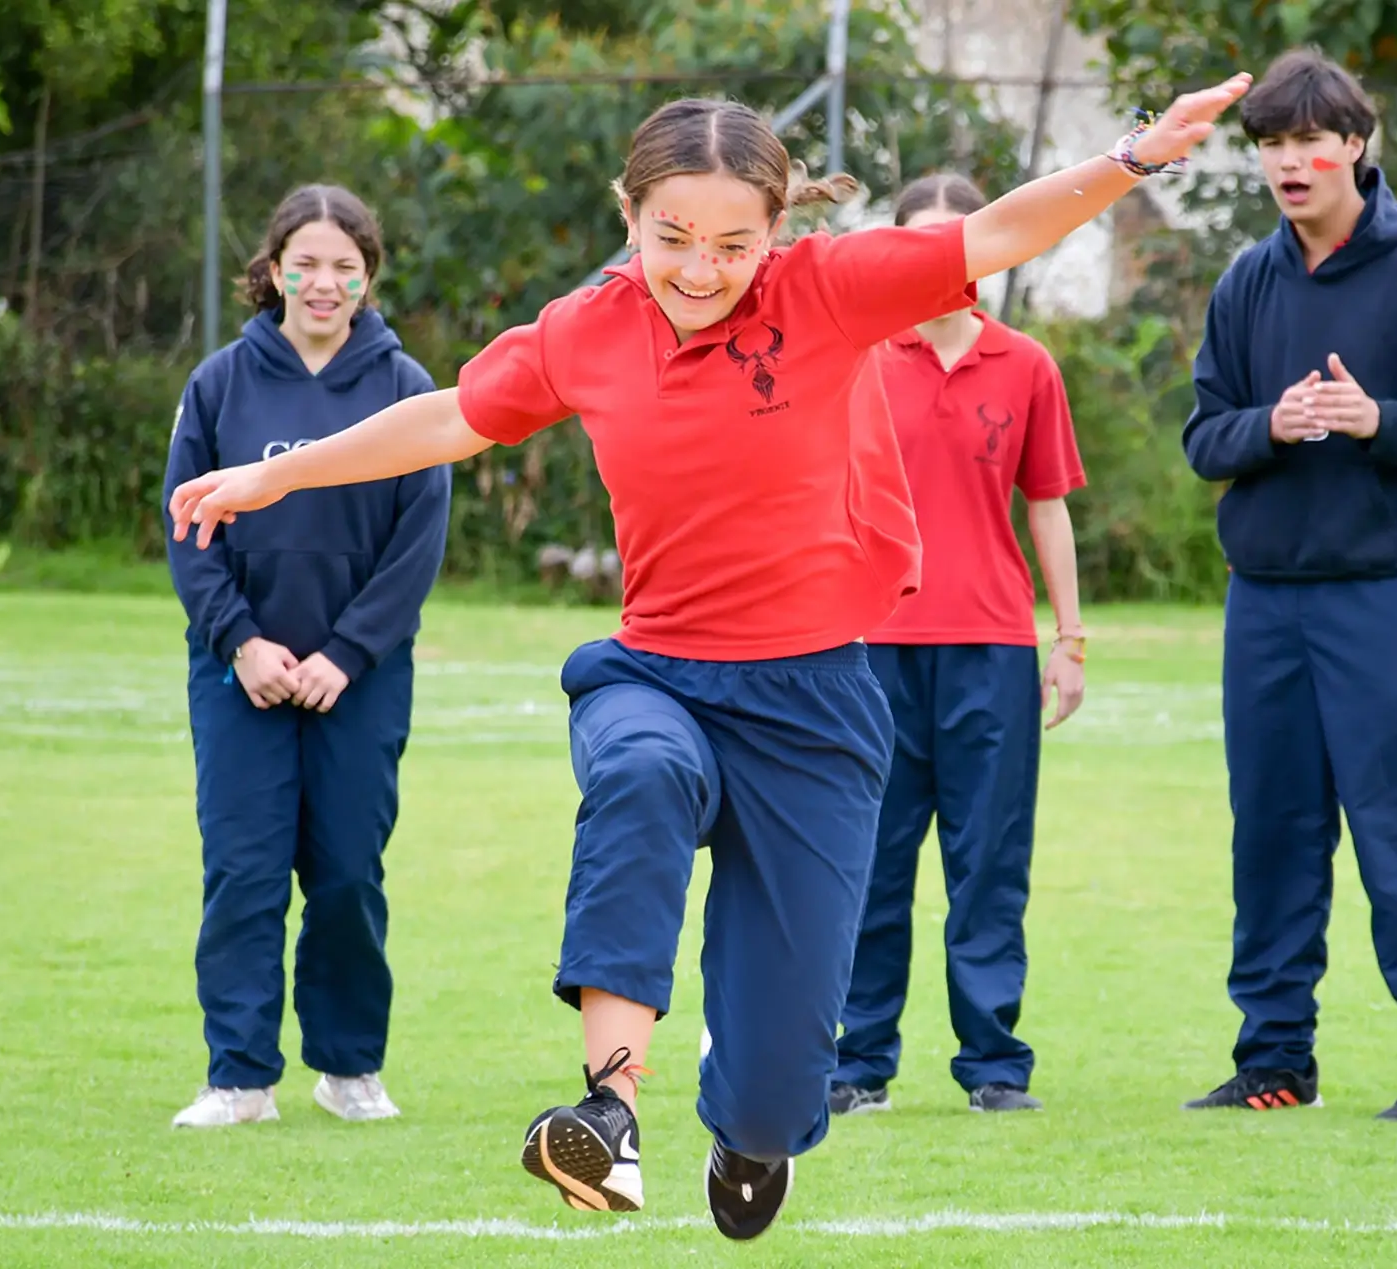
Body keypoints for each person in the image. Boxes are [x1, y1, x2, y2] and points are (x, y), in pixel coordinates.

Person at [168, 76, 1249, 1238]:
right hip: (658, 674)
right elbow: (446, 420)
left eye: (734, 242)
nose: (698, 267)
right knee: (636, 778)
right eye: (671, 236)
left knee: (782, 1089)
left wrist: (1132, 158)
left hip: (815, 698)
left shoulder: (829, 289)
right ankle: (609, 1112)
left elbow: (994, 231)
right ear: (626, 215)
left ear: (776, 231)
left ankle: (752, 1135)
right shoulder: (587, 329)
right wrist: (277, 472)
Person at [1179, 49, 1397, 1121]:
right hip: (1265, 603)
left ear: (1355, 147)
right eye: (1270, 144)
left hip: (1383, 596)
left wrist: (1382, 421)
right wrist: (1268, 428)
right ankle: (1276, 1061)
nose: (1288, 161)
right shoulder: (1246, 281)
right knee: (1270, 830)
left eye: (1306, 142)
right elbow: (1203, 437)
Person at [163, 184, 450, 1129]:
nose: (324, 283)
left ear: (368, 277)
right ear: (274, 266)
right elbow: (187, 528)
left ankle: (349, 1067)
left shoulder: (406, 390)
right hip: (238, 677)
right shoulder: (219, 384)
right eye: (307, 263)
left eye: (345, 266)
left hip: (355, 684)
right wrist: (241, 641)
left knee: (345, 873)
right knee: (243, 872)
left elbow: (419, 540)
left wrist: (347, 652)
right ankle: (239, 1078)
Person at [827, 172, 1087, 1119]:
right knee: (873, 862)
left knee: (989, 862)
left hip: (990, 652)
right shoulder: (855, 360)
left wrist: (1070, 639)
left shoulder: (1026, 367)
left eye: (959, 237)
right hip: (873, 652)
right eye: (920, 240)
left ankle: (993, 1063)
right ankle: (858, 1063)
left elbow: (1048, 508)